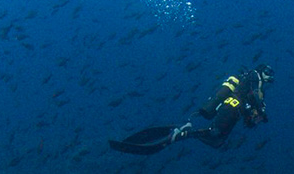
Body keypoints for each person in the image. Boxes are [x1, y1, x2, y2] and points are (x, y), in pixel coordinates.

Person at [109, 64, 274, 155]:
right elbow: (255, 96)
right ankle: (183, 133)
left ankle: (185, 131)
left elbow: (250, 114)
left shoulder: (254, 86)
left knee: (217, 141)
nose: (269, 76)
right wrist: (262, 111)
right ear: (261, 71)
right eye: (267, 72)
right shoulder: (254, 76)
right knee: (215, 134)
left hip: (233, 110)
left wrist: (256, 116)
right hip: (231, 107)